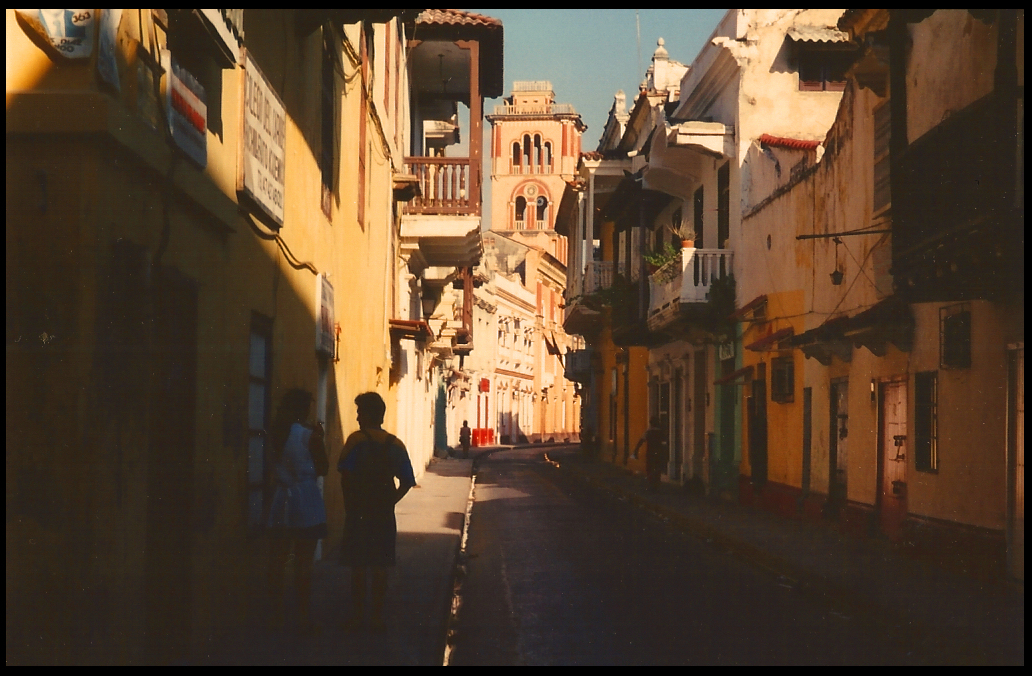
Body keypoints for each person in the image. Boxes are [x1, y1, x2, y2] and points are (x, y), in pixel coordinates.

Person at [338, 392, 416, 632]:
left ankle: (358, 616)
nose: (358, 416)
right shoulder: (396, 444)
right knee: (380, 566)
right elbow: (407, 481)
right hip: (383, 512)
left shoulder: (354, 441)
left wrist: (350, 502)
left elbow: (345, 473)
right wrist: (391, 501)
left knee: (359, 566)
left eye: (360, 412)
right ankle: (377, 618)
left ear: (370, 414)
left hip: (359, 510)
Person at [265, 388, 328, 632]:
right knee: (303, 561)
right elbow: (323, 467)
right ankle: (303, 617)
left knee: (277, 559)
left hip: (282, 498)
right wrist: (319, 439)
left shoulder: (276, 431)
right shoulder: (309, 435)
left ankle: (274, 616)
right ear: (304, 409)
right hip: (306, 499)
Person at [632, 416, 668, 491]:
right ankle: (656, 485)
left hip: (650, 452)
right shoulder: (661, 432)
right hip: (659, 452)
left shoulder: (648, 432)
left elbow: (641, 441)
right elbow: (665, 442)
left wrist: (636, 450)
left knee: (650, 468)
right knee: (657, 469)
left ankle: (651, 485)